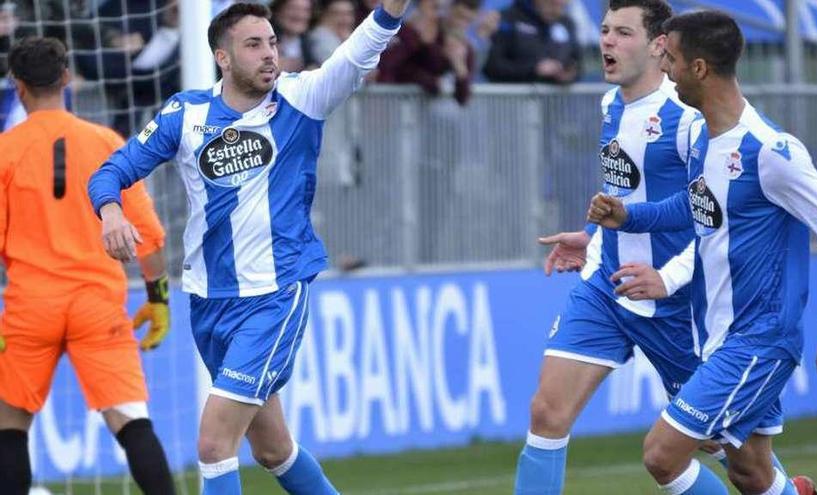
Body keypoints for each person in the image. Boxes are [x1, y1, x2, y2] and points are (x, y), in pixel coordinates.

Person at [88, 1, 410, 493]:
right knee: (272, 449)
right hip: (209, 299)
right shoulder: (186, 113)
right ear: (223, 57)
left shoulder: (302, 98)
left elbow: (360, 52)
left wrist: (390, 11)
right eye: (254, 44)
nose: (269, 55)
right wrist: (110, 208)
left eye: (273, 43)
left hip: (274, 295)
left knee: (215, 444)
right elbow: (113, 169)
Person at [517, 2, 816, 494]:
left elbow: (713, 220)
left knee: (739, 461)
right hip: (608, 289)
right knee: (546, 411)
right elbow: (636, 199)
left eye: (623, 33)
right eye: (605, 30)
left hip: (678, 308)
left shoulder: (691, 121)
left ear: (659, 46)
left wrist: (670, 277)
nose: (607, 42)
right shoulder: (610, 104)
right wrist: (594, 236)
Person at [588, 10, 817, 495]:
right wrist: (630, 218)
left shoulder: (770, 150)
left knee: (661, 455)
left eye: (669, 58)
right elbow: (693, 208)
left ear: (698, 69)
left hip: (759, 340)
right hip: (718, 334)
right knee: (751, 473)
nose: (663, 70)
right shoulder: (702, 141)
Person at [0, 37, 174, 495]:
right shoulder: (105, 142)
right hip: (97, 305)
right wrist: (158, 300)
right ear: (65, 79)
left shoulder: (5, 151)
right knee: (132, 422)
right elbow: (149, 237)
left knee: (10, 425)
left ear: (17, 86)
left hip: (30, 306)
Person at [482, 0, 580, 83]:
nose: (556, 9)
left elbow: (577, 63)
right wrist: (534, 69)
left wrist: (569, 74)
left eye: (562, 5)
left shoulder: (567, 23)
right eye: (551, 3)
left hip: (554, 102)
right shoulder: (507, 19)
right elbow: (492, 67)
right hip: (513, 101)